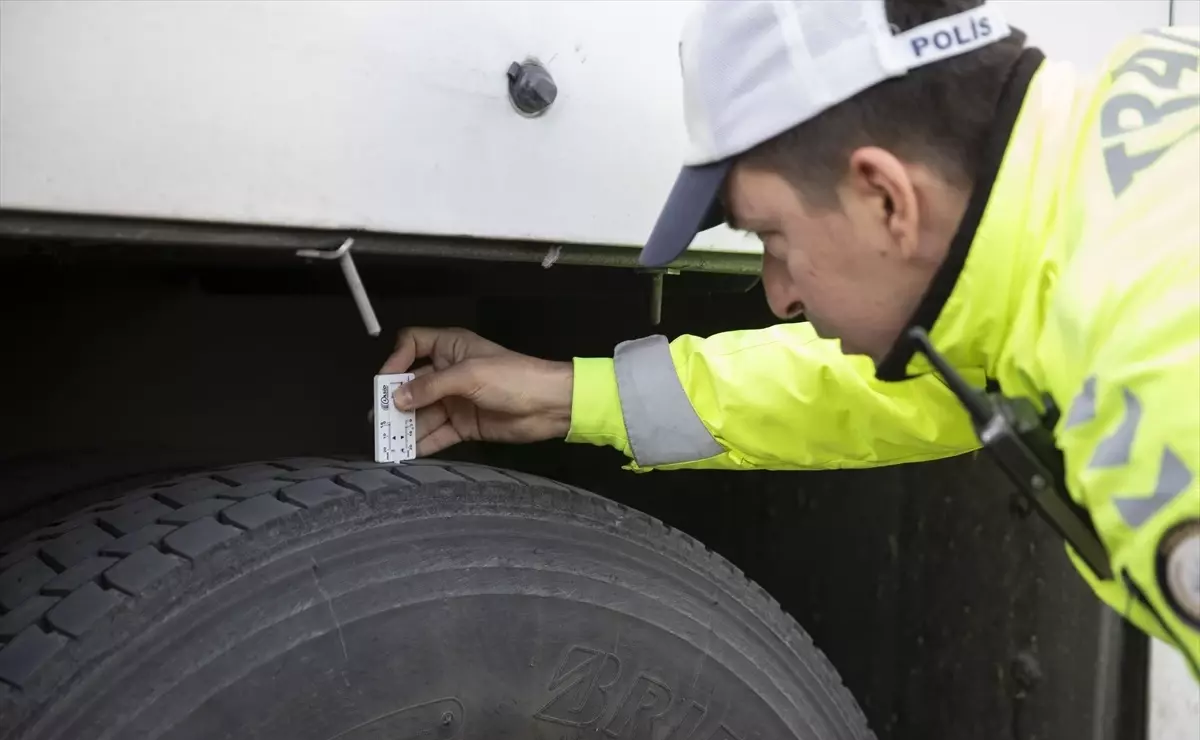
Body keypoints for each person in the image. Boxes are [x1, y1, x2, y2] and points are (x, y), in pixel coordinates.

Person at [381, 0, 1200, 676]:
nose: (777, 295)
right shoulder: (1112, 154)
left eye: (772, 238)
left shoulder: (1151, 388)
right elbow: (876, 385)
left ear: (885, 197)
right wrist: (574, 395)